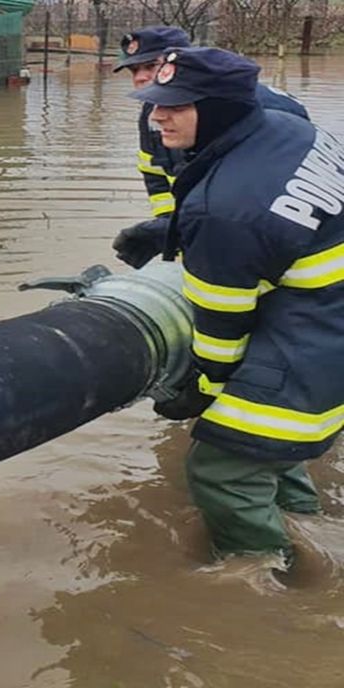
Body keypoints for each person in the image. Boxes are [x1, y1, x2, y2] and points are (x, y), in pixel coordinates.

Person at [130, 46, 344, 566]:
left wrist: (202, 387)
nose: (157, 116)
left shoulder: (224, 211)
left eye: (177, 106)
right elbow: (282, 221)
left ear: (219, 109)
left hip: (321, 331)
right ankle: (307, 527)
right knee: (265, 444)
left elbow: (222, 327)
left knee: (221, 467)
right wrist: (175, 230)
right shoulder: (287, 129)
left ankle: (265, 577)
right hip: (325, 305)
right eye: (158, 102)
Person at [110, 27, 310, 269]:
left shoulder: (248, 110)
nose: (140, 78)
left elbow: (253, 203)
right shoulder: (153, 112)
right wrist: (171, 224)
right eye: (134, 70)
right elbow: (154, 171)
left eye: (151, 66)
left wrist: (182, 227)